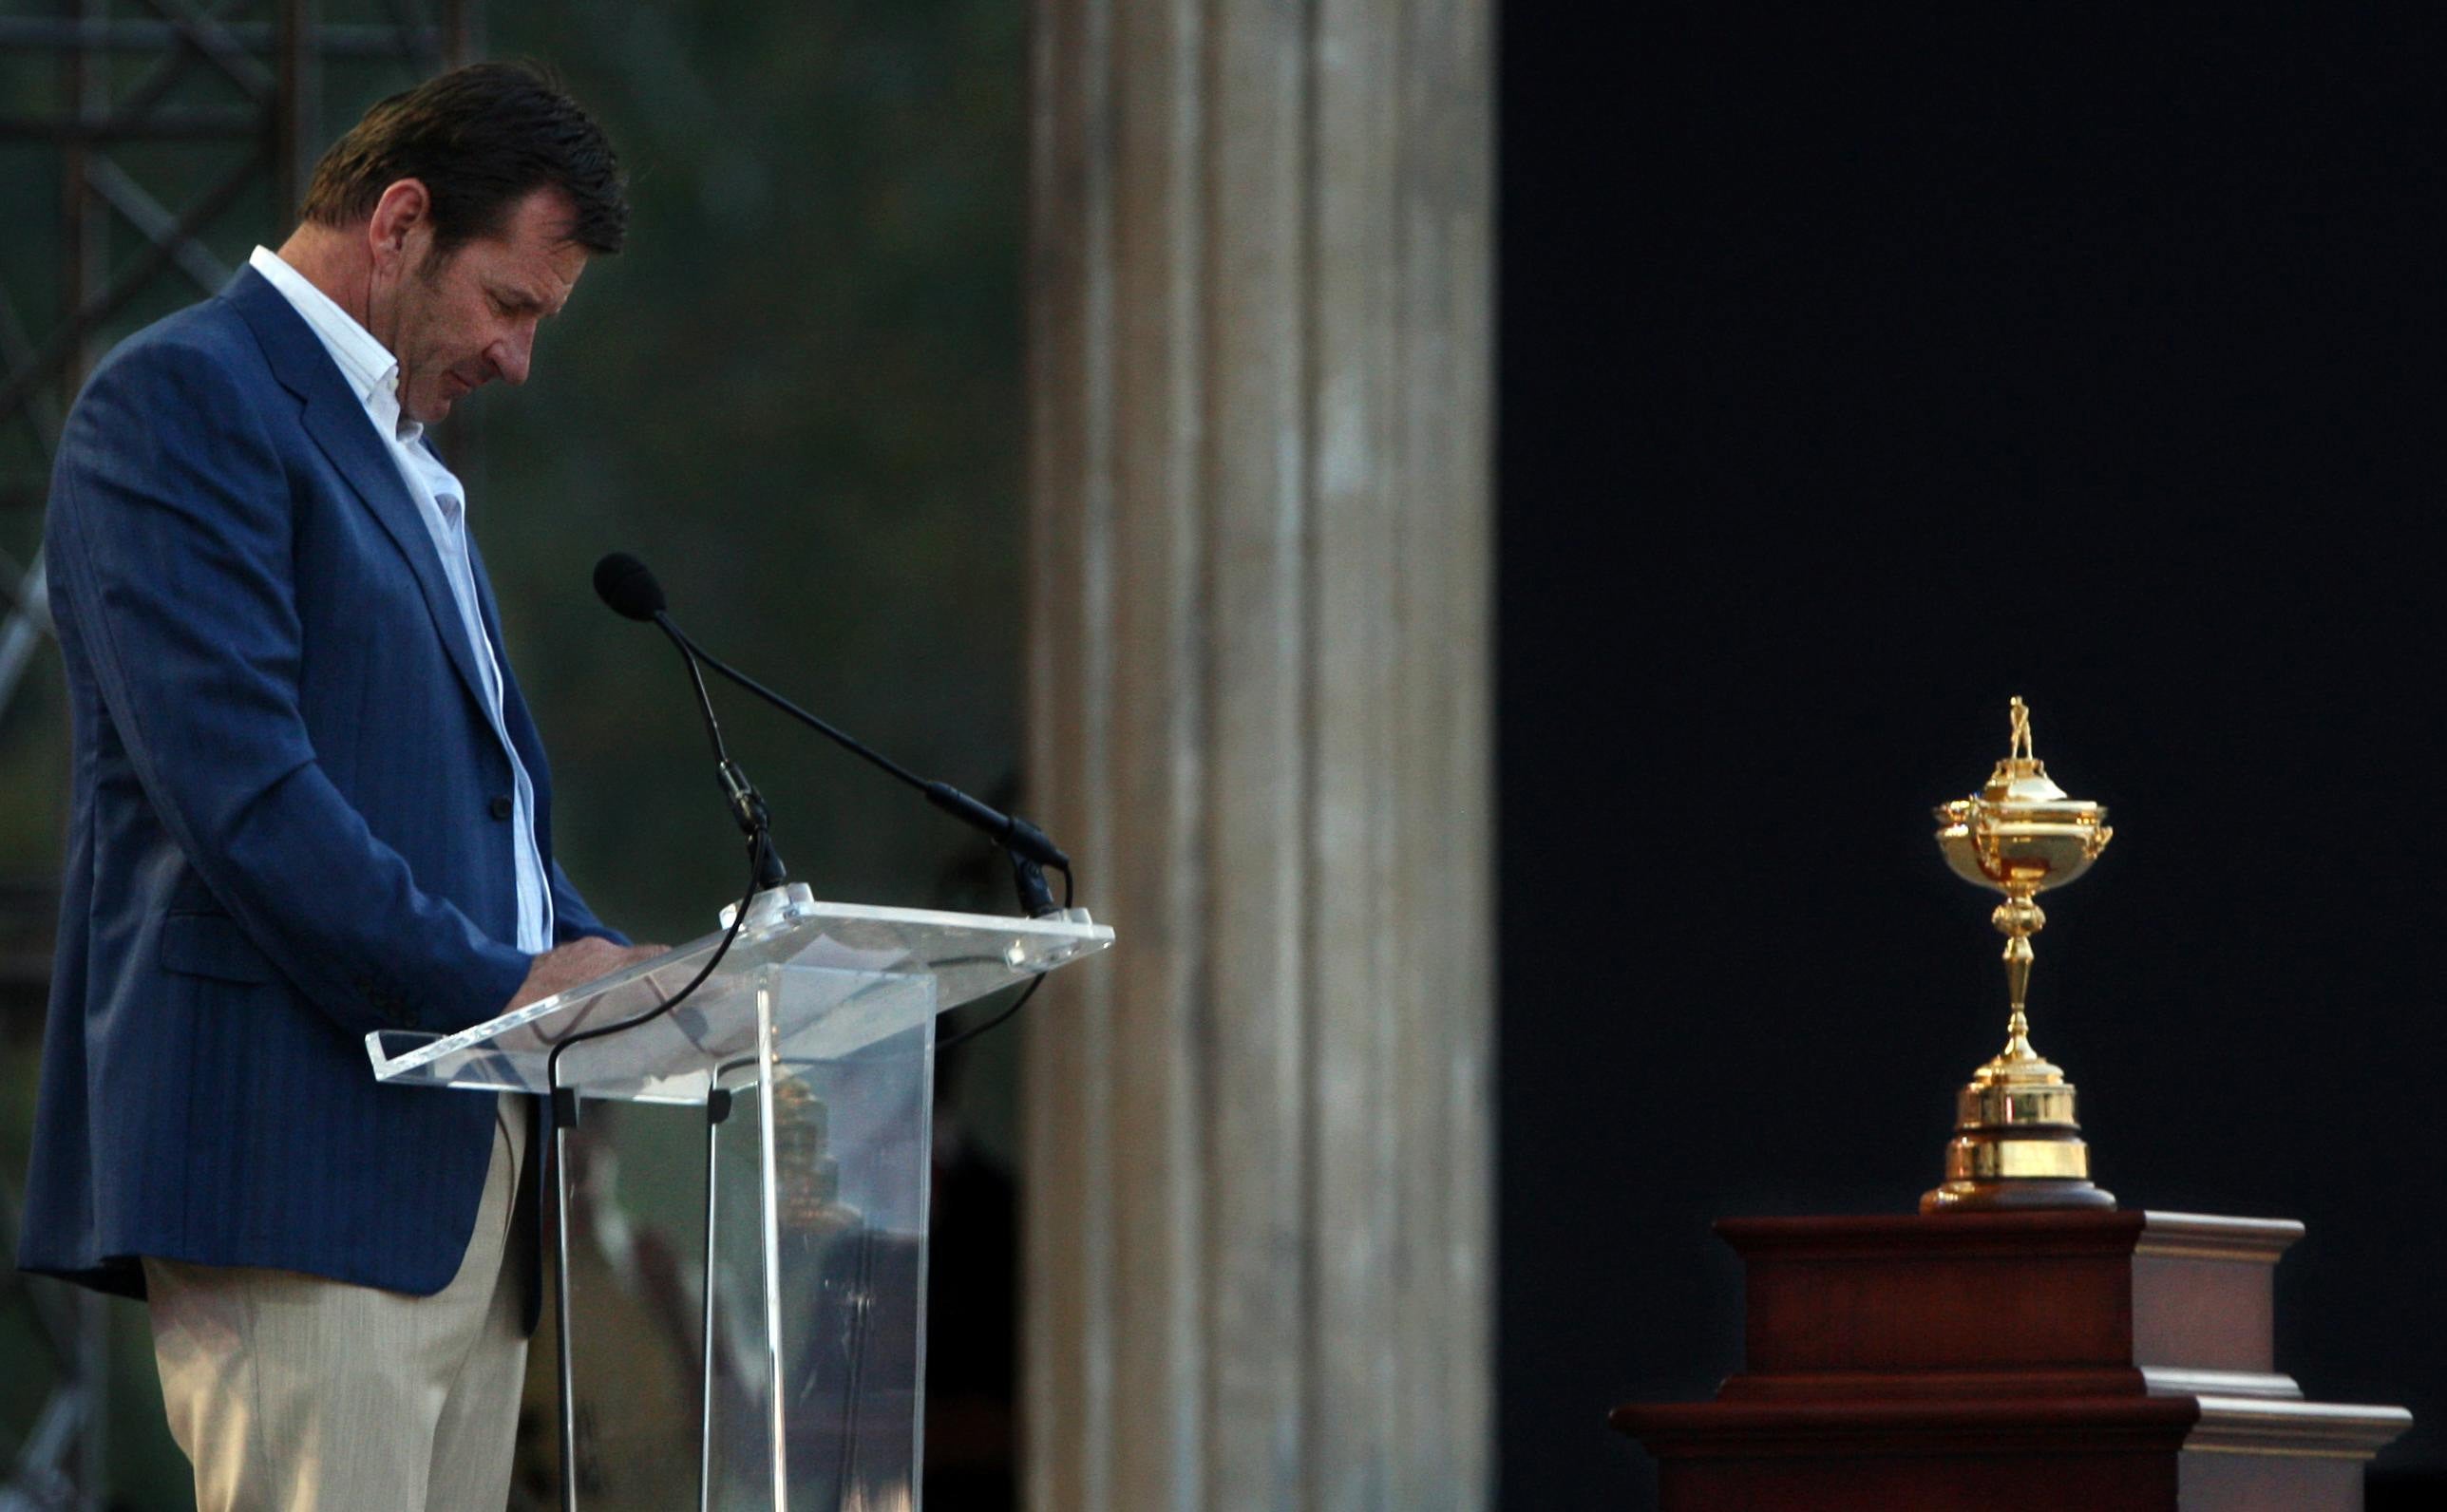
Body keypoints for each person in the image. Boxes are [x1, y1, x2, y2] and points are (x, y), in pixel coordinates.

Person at [15, 61, 663, 1510]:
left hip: (463, 1184)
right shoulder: (183, 400)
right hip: (300, 1165)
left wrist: (630, 974)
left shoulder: (403, 455)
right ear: (401, 224)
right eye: (510, 307)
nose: (518, 362)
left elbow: (480, 811)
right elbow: (246, 798)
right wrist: (514, 989)